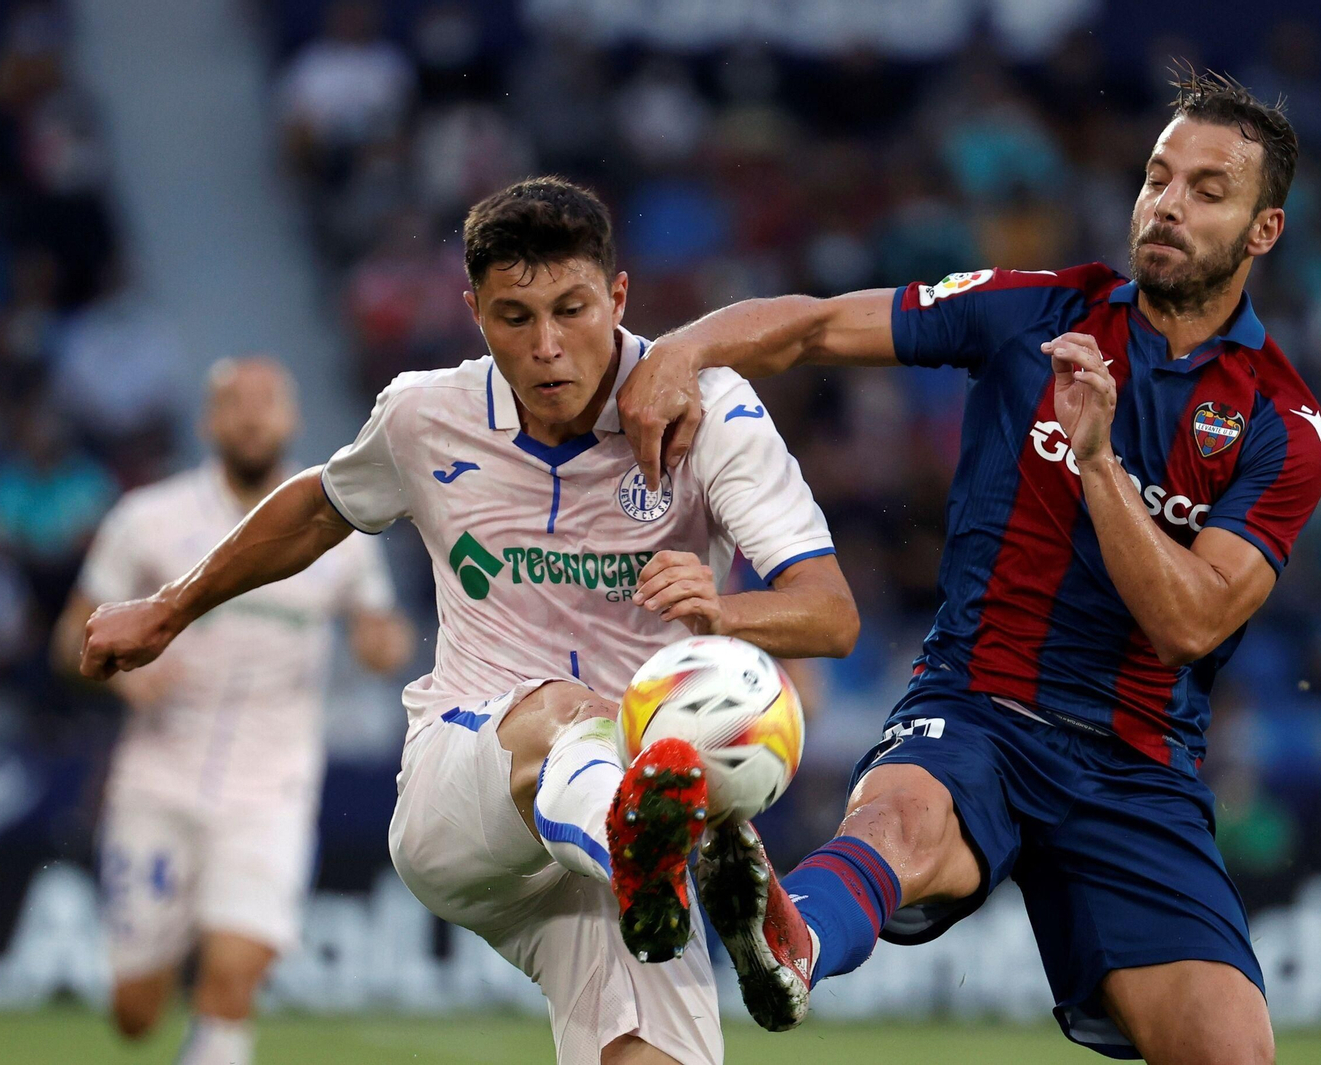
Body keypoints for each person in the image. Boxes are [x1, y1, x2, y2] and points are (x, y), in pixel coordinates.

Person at [617, 71, 1321, 1065]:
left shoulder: (1282, 426)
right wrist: (681, 349)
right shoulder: (1033, 313)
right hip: (977, 708)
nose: (1166, 205)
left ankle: (794, 925)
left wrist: (1095, 461)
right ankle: (790, 938)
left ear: (1263, 231)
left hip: (1138, 770)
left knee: (1233, 1057)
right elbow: (819, 324)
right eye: (1156, 178)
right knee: (904, 822)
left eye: (1207, 191)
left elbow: (1192, 623)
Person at [77, 177, 858, 1065]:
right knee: (573, 714)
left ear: (620, 296)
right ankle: (677, 847)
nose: (549, 348)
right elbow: (321, 506)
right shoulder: (426, 415)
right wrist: (170, 608)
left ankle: (659, 853)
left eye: (573, 309)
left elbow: (830, 614)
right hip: (470, 777)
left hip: (623, 846)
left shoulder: (708, 412)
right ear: (473, 312)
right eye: (514, 318)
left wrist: (725, 606)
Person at [52, 357, 413, 1065]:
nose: (251, 417)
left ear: (291, 418)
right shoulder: (146, 518)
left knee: (234, 974)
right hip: (157, 780)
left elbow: (382, 628)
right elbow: (71, 636)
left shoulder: (332, 524)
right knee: (135, 1011)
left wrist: (383, 640)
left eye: (266, 403)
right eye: (234, 404)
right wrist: (124, 680)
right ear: (207, 421)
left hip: (271, 787)